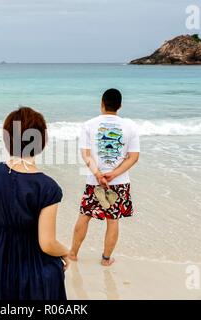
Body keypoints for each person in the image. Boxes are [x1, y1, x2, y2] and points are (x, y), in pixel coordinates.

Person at [0, 106, 69, 300]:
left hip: (1, 259)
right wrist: (66, 252)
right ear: (41, 142)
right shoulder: (47, 187)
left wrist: (1, 248)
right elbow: (47, 244)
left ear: (7, 139)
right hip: (35, 267)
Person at [69, 88, 140, 266]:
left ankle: (73, 254)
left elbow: (86, 155)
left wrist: (98, 174)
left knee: (84, 216)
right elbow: (134, 157)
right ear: (120, 106)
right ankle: (106, 259)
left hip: (95, 181)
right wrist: (114, 174)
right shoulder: (130, 126)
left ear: (101, 104)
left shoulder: (89, 124)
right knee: (113, 220)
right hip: (119, 182)